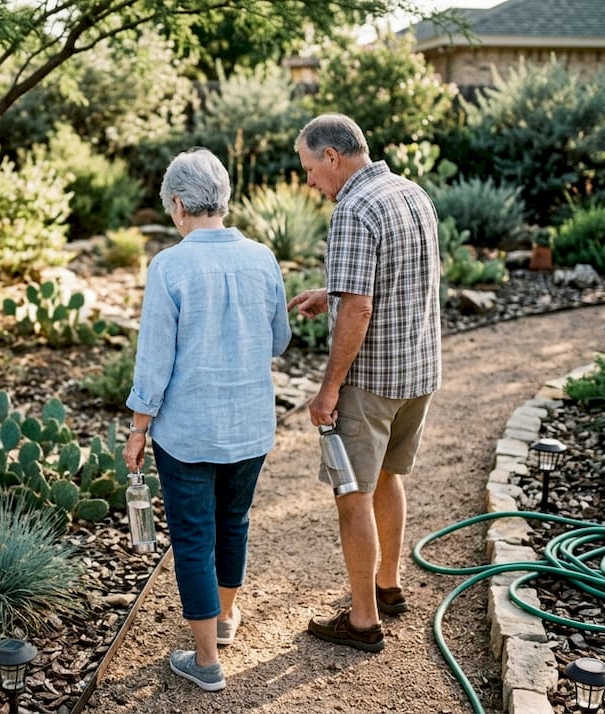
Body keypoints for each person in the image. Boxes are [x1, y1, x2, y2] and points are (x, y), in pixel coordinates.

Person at [124, 147, 292, 691]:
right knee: (234, 521)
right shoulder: (263, 258)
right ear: (222, 198)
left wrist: (138, 427)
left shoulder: (170, 265)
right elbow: (281, 340)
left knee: (194, 537)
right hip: (249, 425)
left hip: (188, 431)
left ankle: (206, 662)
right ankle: (222, 620)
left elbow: (154, 360)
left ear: (178, 205)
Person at [287, 114, 442, 652]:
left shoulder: (353, 207)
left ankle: (362, 621)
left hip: (371, 381)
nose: (310, 182)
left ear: (332, 157)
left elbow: (361, 305)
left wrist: (329, 389)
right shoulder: (409, 192)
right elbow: (389, 276)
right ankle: (388, 587)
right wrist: (328, 291)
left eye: (310, 168)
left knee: (351, 493)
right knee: (388, 478)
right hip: (417, 372)